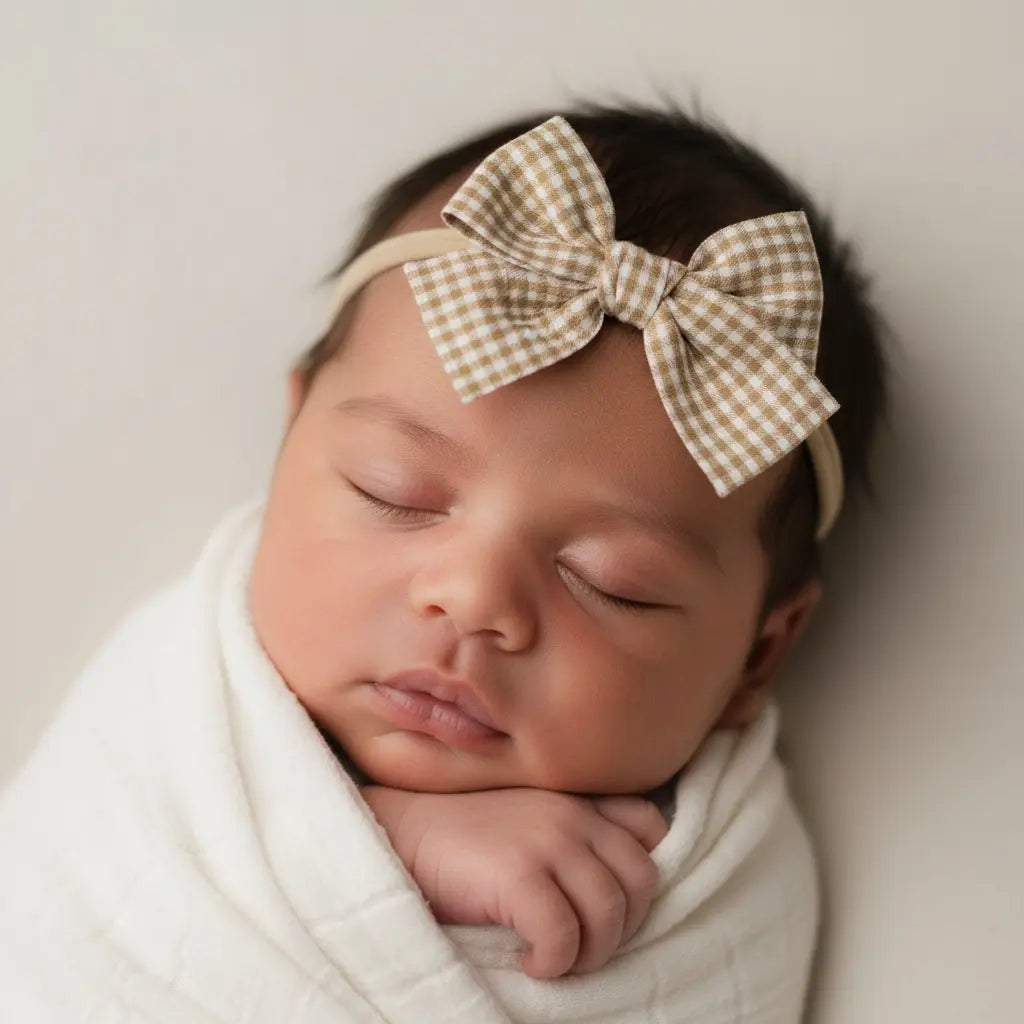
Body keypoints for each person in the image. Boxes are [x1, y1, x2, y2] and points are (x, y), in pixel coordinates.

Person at [0, 104, 887, 1023]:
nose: (473, 600)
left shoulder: (726, 889)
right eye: (395, 492)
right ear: (291, 438)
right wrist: (399, 844)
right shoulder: (173, 703)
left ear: (758, 654)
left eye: (611, 579)